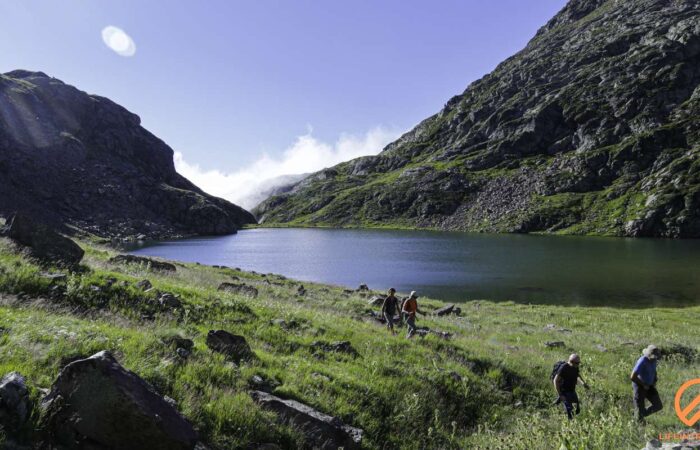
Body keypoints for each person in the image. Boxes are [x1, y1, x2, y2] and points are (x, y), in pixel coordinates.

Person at [630, 344, 663, 421]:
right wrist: (643, 385)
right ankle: (638, 418)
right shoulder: (642, 361)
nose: (655, 359)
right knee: (639, 409)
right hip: (639, 386)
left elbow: (653, 370)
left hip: (649, 386)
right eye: (653, 357)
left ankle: (638, 415)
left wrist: (655, 378)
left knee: (658, 405)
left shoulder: (654, 360)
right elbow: (632, 376)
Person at [553, 353, 589, 419]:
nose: (578, 364)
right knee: (571, 411)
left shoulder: (575, 367)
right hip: (564, 391)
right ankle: (570, 424)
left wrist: (583, 383)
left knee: (577, 410)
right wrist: (561, 394)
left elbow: (577, 375)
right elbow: (555, 381)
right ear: (571, 362)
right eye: (577, 363)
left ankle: (557, 402)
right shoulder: (563, 368)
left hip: (572, 390)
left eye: (579, 363)